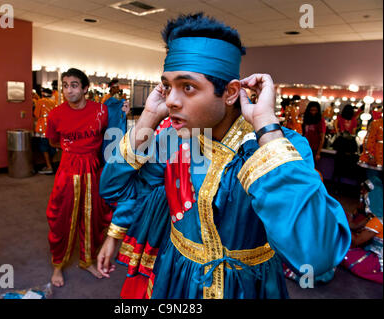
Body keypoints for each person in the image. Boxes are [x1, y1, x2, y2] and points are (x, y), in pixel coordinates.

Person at [96, 13, 351, 299]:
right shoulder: (173, 139)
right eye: (167, 86)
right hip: (177, 277)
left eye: (188, 87)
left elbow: (317, 255)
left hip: (248, 286)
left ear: (230, 93)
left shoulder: (280, 146)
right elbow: (113, 189)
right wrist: (147, 122)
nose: (170, 100)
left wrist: (267, 128)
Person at [45, 68, 128, 287]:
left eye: (73, 85)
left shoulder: (101, 111)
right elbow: (53, 142)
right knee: (61, 217)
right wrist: (73, 150)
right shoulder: (55, 115)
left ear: (84, 88)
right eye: (64, 85)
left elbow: (114, 133)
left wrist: (122, 111)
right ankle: (58, 265)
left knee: (92, 217)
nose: (68, 90)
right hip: (67, 169)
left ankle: (87, 260)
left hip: (94, 168)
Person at [342, 177, 383, 284]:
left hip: (378, 260)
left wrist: (341, 227)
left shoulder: (378, 221)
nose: (362, 193)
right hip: (372, 249)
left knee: (343, 254)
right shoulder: (372, 217)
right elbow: (354, 226)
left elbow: (356, 241)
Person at [34, 88, 56, 175]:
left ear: (43, 94)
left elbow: (36, 114)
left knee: (43, 147)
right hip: (53, 127)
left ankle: (49, 166)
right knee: (52, 146)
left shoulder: (40, 101)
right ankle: (50, 164)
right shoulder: (54, 101)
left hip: (43, 127)